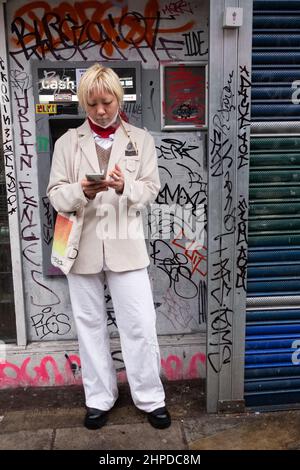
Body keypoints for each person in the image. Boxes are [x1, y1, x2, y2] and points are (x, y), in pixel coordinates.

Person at [47, 63, 171, 430]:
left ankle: (150, 398)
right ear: (84, 104)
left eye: (107, 102)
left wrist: (123, 187)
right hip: (78, 244)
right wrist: (79, 191)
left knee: (140, 324)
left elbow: (150, 189)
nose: (101, 111)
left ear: (119, 98)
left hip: (125, 244)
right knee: (89, 325)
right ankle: (99, 399)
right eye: (93, 104)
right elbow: (55, 195)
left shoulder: (141, 139)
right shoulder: (67, 142)